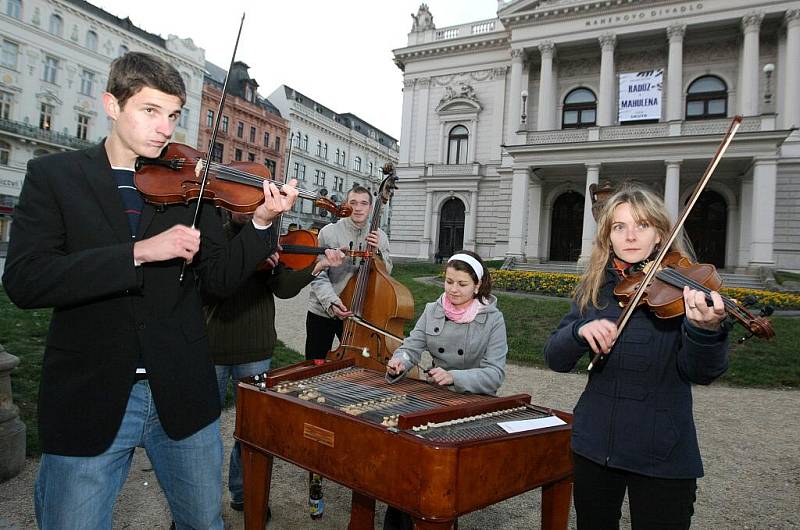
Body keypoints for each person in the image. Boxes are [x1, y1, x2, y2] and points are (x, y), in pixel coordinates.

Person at [1, 52, 298, 530]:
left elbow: (220, 280)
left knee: (204, 522)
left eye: (174, 115)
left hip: (181, 389)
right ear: (112, 105)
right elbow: (26, 279)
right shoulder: (55, 177)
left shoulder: (189, 184)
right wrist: (137, 253)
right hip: (90, 390)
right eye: (150, 111)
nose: (165, 128)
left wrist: (262, 222)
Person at [543, 185, 729, 530]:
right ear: (607, 237)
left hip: (663, 451)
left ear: (660, 234)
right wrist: (578, 332)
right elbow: (555, 358)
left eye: (642, 225)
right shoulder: (596, 289)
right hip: (595, 448)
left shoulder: (682, 291)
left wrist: (704, 331)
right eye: (619, 227)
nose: (630, 236)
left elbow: (701, 372)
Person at [208, 211, 344, 513]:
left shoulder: (269, 239)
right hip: (213, 347)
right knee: (202, 434)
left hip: (255, 348)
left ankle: (245, 493)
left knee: (251, 431)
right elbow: (210, 284)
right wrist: (247, 261)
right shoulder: (213, 234)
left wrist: (318, 265)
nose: (246, 207)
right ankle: (198, 504)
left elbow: (282, 288)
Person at [383, 250, 508, 528]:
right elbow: (412, 347)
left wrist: (454, 377)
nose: (453, 290)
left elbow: (495, 375)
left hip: (470, 405)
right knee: (405, 458)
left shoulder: (493, 319)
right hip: (435, 397)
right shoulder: (433, 309)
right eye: (449, 281)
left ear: (478, 285)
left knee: (441, 474)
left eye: (462, 284)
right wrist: (400, 362)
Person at [305, 184, 393, 360]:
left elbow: (386, 274)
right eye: (353, 203)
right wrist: (332, 303)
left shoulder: (380, 236)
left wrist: (379, 253)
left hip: (358, 312)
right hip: (324, 310)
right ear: (346, 205)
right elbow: (317, 274)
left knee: (355, 363)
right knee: (316, 362)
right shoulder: (328, 232)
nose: (358, 208)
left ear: (370, 207)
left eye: (363, 203)